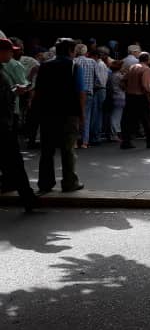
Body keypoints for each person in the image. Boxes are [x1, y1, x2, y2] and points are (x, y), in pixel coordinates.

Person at [33, 38, 87, 192]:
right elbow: (80, 92)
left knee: (47, 150)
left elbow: (39, 90)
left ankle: (45, 182)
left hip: (47, 112)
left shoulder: (45, 66)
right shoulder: (74, 66)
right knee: (68, 149)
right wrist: (82, 114)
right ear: (71, 51)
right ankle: (69, 182)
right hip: (69, 113)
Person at [0, 38, 38, 211]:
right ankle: (29, 200)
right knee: (15, 162)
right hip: (3, 124)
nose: (13, 53)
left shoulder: (3, 69)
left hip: (5, 122)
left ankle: (28, 199)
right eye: (9, 50)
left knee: (13, 162)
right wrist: (15, 91)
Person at [121, 52, 150, 149]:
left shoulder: (132, 67)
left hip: (130, 96)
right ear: (148, 60)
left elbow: (123, 80)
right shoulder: (146, 69)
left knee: (127, 119)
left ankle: (126, 141)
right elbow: (145, 85)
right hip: (140, 97)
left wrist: (126, 89)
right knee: (147, 119)